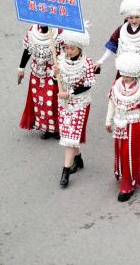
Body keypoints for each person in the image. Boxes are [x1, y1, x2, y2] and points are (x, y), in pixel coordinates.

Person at [105, 51, 140, 203]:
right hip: (119, 123)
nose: (125, 78)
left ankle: (128, 184)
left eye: (129, 76)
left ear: (135, 75)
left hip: (134, 124)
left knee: (129, 152)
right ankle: (126, 173)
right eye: (123, 75)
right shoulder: (116, 85)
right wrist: (108, 120)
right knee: (120, 150)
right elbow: (111, 102)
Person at [55, 27, 95, 189]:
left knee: (70, 137)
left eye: (72, 48)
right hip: (63, 104)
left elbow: (88, 85)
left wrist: (70, 93)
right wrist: (55, 74)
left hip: (80, 103)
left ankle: (65, 171)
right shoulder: (60, 60)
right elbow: (54, 82)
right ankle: (77, 159)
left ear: (80, 48)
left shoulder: (87, 63)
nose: (68, 51)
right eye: (66, 48)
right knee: (69, 134)